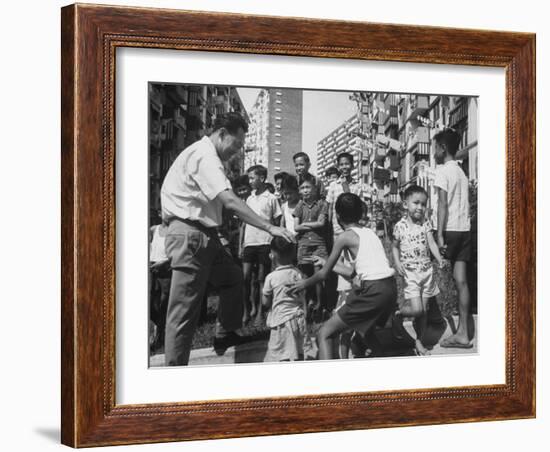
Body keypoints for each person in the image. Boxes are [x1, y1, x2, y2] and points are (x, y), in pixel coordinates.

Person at [161, 112, 294, 366]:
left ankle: (225, 334)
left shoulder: (207, 155)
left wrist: (217, 234)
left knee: (233, 278)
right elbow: (230, 201)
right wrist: (270, 227)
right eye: (237, 144)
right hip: (190, 234)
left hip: (205, 234)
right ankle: (173, 374)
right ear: (222, 134)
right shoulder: (205, 155)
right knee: (183, 313)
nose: (237, 151)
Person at [289, 193, 397, 360]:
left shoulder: (344, 237)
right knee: (366, 331)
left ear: (337, 215)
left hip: (372, 290)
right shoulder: (370, 233)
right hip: (390, 288)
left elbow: (323, 274)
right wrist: (326, 261)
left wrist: (304, 284)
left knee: (324, 333)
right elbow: (354, 273)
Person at [392, 185, 444, 356]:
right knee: (417, 310)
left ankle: (419, 342)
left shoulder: (425, 223)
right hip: (411, 274)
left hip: (427, 273)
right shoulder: (400, 226)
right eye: (416, 203)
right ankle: (398, 314)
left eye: (423, 204)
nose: (420, 207)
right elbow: (394, 246)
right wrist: (397, 262)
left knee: (424, 313)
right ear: (405, 204)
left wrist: (439, 258)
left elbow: (432, 243)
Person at [433, 128, 473, 349]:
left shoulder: (443, 171)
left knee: (432, 275)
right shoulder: (461, 172)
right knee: (461, 281)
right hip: (465, 229)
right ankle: (464, 334)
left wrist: (439, 234)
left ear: (442, 148)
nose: (433, 151)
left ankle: (429, 326)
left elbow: (441, 205)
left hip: (449, 230)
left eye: (435, 147)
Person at [242, 165, 282, 324]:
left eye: (252, 178)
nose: (250, 181)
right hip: (249, 242)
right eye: (249, 178)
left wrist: (274, 243)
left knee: (260, 278)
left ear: (262, 178)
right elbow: (244, 222)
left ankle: (260, 312)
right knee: (245, 277)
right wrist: (241, 244)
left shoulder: (271, 198)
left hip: (265, 241)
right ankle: (246, 310)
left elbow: (277, 221)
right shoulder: (249, 198)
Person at [262, 237, 314, 361]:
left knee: (282, 354)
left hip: (281, 321)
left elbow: (265, 302)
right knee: (299, 351)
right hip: (298, 319)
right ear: (292, 253)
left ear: (272, 254)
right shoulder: (297, 273)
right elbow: (303, 296)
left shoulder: (271, 277)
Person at [293, 174, 329, 317]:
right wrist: (310, 226)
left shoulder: (322, 204)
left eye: (308, 187)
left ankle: (320, 306)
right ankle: (306, 308)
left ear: (315, 188)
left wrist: (305, 224)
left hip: (318, 245)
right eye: (302, 188)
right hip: (304, 246)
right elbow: (296, 227)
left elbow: (321, 223)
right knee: (305, 278)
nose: (305, 190)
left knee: (318, 277)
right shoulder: (299, 205)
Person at [149, 214, 171, 350]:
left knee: (164, 305)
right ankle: (161, 328)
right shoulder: (153, 229)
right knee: (150, 305)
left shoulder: (173, 231)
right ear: (159, 213)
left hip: (166, 268)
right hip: (152, 268)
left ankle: (160, 338)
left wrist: (164, 263)